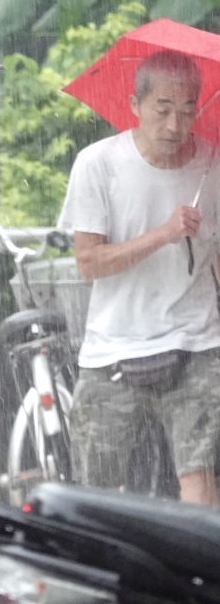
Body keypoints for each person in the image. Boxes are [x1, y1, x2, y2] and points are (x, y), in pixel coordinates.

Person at [58, 50, 220, 507]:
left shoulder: (213, 164)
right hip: (114, 347)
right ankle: (111, 575)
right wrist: (163, 235)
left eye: (188, 109)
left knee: (200, 475)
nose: (175, 124)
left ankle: (201, 574)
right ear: (135, 104)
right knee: (100, 489)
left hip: (198, 341)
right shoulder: (98, 164)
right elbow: (88, 263)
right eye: (162, 109)